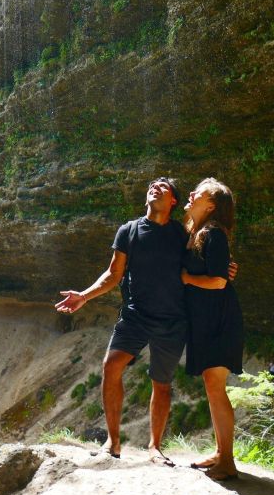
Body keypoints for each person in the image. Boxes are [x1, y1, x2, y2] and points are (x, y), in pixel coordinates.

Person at [55, 177, 189, 465]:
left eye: (163, 187)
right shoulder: (129, 231)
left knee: (161, 382)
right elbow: (113, 274)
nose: (155, 187)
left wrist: (222, 269)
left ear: (173, 201)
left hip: (172, 319)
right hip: (135, 314)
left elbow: (198, 263)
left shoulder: (181, 234)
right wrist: (84, 296)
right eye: (152, 185)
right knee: (111, 365)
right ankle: (113, 442)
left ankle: (155, 448)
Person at [180, 178, 243, 481]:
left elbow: (218, 281)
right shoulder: (195, 232)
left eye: (199, 193)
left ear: (212, 205)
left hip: (220, 320)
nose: (191, 195)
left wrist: (186, 279)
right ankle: (221, 453)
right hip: (207, 320)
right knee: (212, 385)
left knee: (216, 387)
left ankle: (228, 461)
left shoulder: (213, 234)